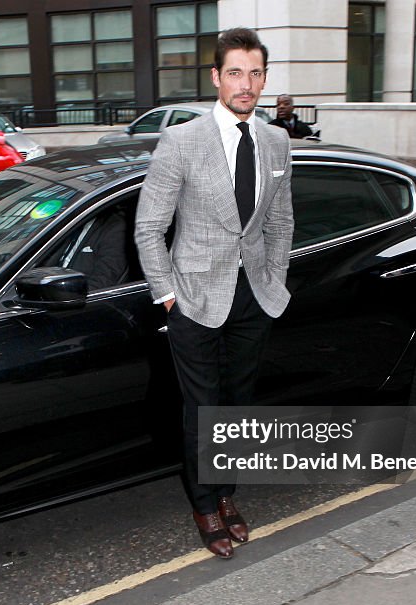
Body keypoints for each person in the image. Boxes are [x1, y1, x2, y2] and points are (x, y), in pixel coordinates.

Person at [134, 28, 295, 559]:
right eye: (235, 73)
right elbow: (148, 228)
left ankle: (227, 493)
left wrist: (273, 278)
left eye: (254, 74)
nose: (245, 84)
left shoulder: (275, 141)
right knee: (202, 409)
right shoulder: (182, 141)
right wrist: (167, 294)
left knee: (239, 405)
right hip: (195, 300)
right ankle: (205, 504)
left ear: (265, 79)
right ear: (215, 78)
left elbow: (280, 221)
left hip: (253, 296)